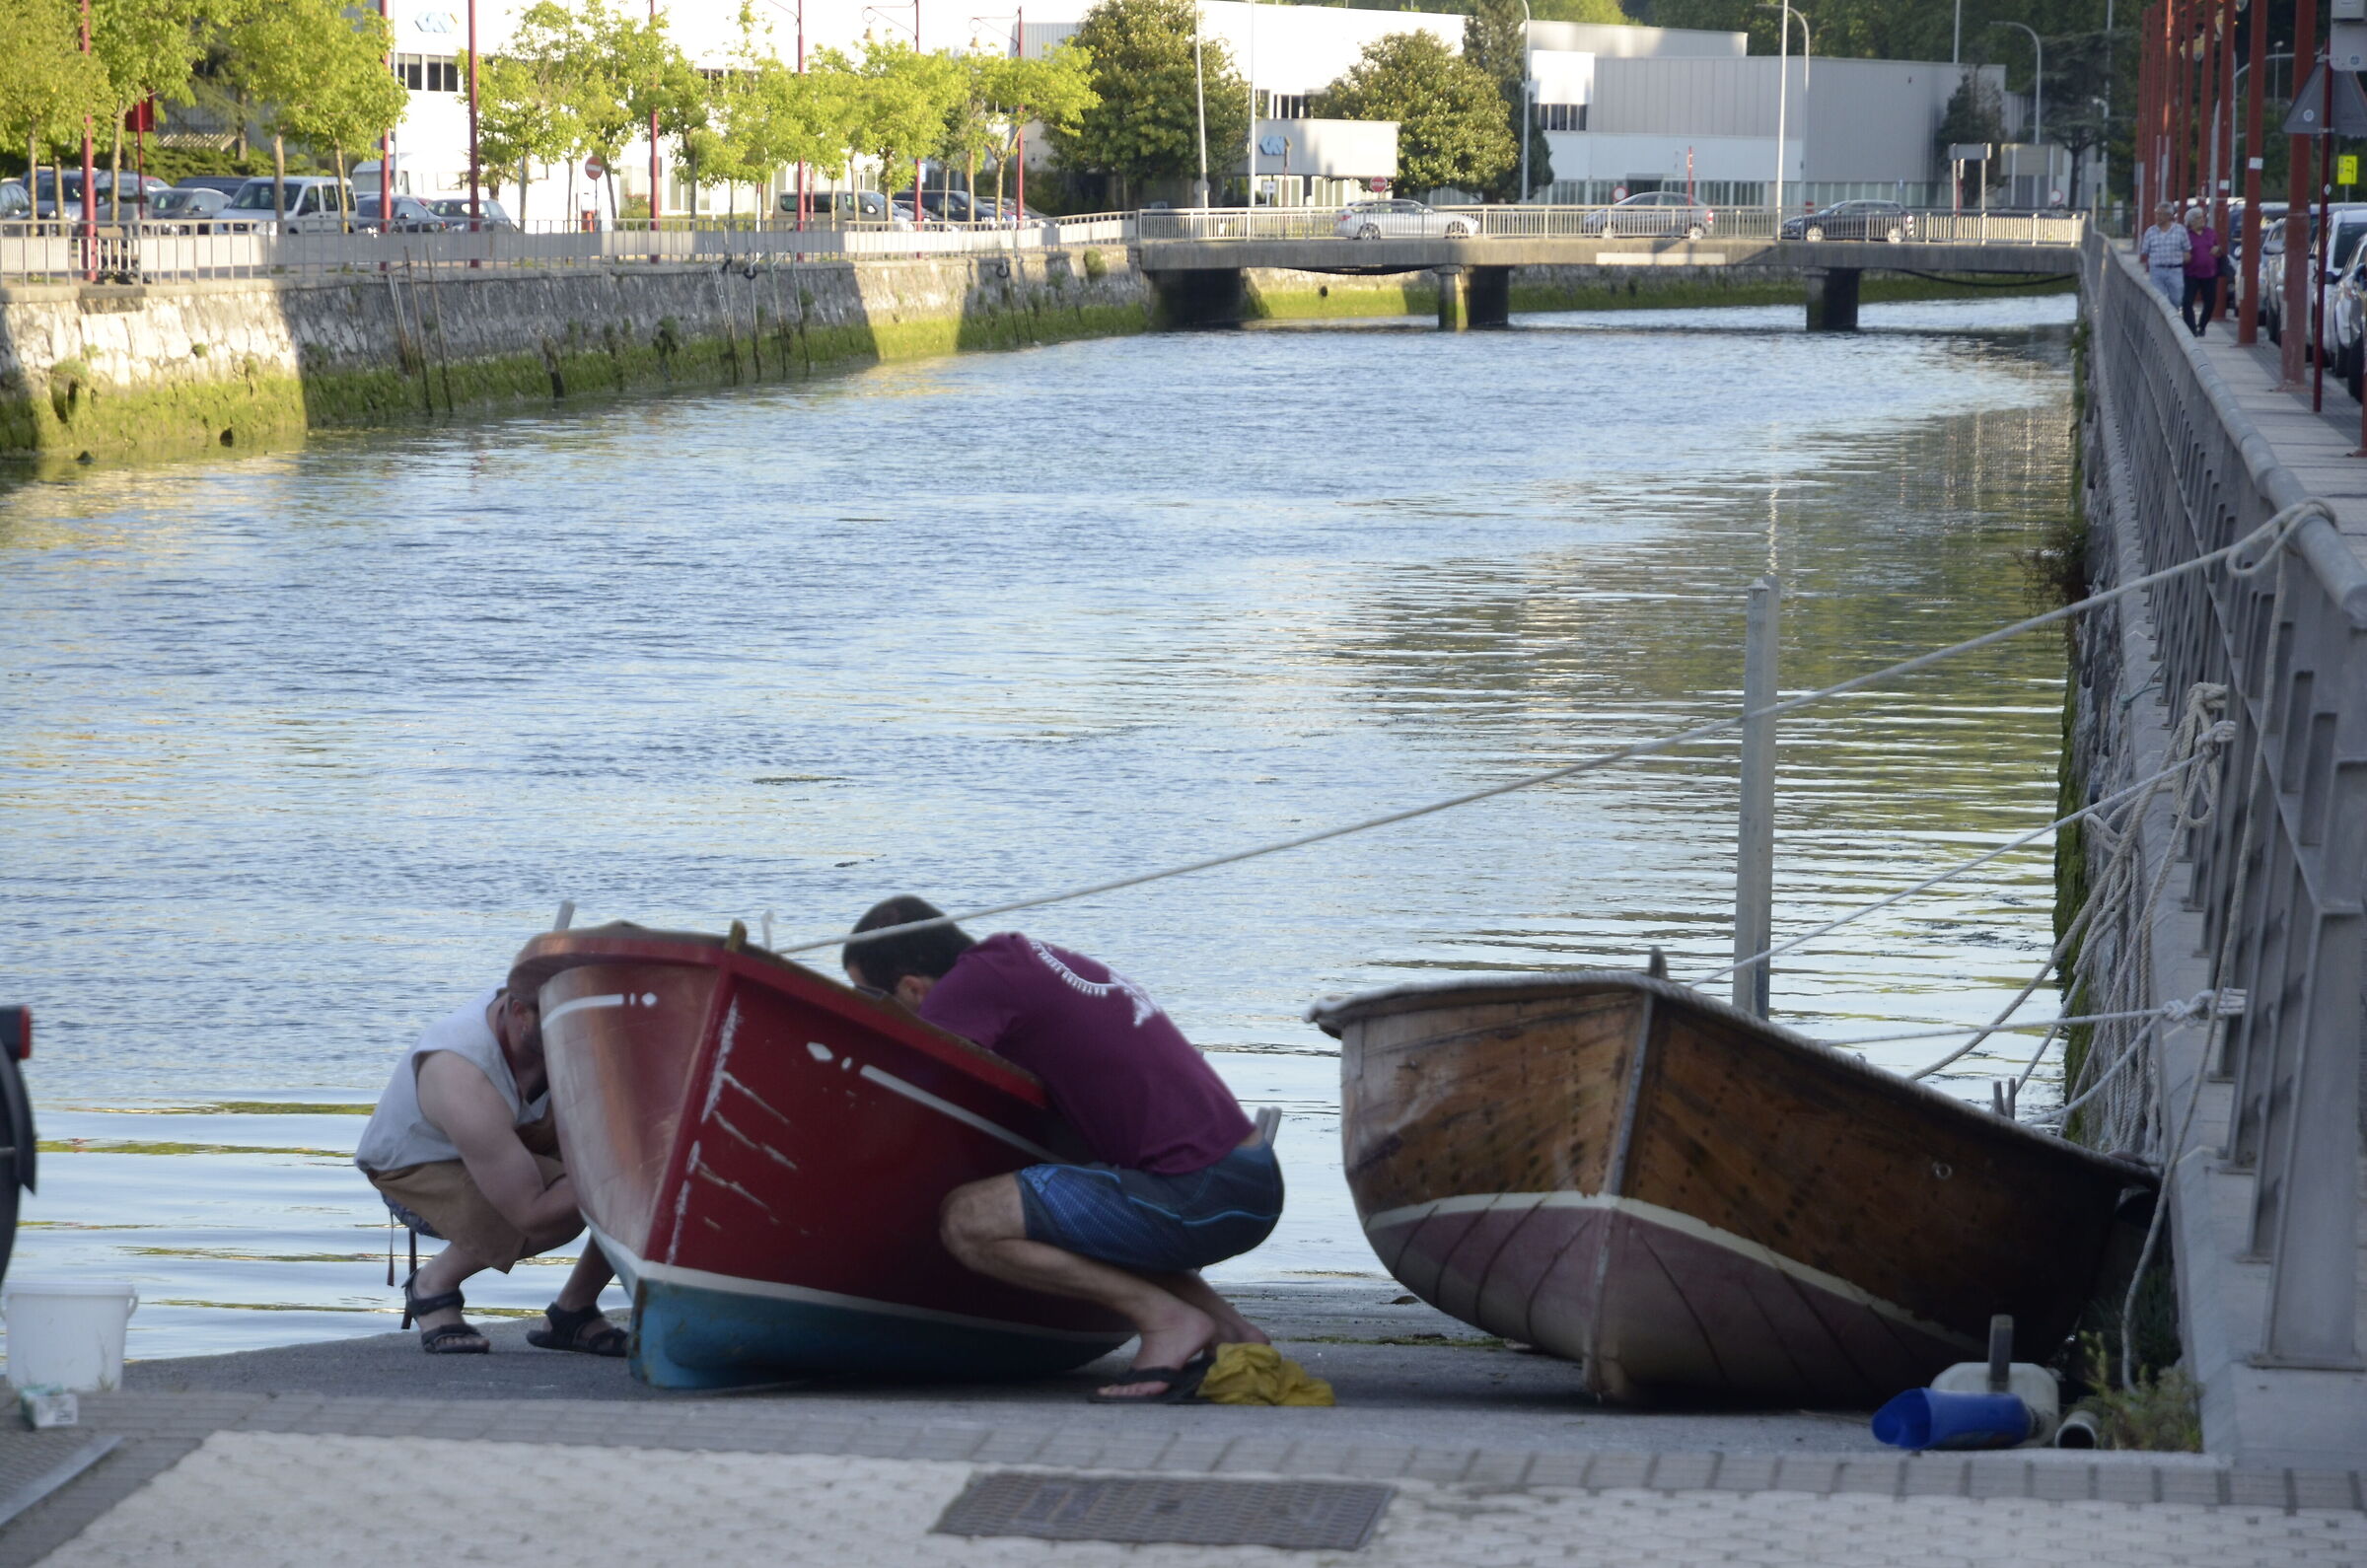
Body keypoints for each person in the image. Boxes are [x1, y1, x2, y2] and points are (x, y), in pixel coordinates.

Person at [843, 897, 1281, 1403]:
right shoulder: (1018, 961)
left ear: (910, 988)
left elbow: (903, 1087)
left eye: (868, 997)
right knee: (1081, 1205)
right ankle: (1233, 1331)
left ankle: (1166, 1321)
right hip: (1243, 1182)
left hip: (1204, 1192)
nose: (870, 1009)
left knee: (970, 1218)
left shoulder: (964, 990)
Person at [355, 984, 625, 1356]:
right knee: (571, 1210)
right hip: (415, 1169)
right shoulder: (460, 1070)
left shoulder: (576, 1032)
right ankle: (433, 1285)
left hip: (510, 1140)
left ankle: (572, 1314)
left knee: (646, 1179)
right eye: (560, 1021)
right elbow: (532, 1212)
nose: (577, 1032)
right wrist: (628, 1172)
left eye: (582, 1019)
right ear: (518, 1012)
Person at [2183, 206, 2225, 337]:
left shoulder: (2210, 233)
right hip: (2191, 273)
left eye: (2202, 217)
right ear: (2191, 221)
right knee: (2187, 302)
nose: (2202, 220)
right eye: (2198, 218)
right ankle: (2191, 327)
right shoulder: (2186, 235)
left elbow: (2219, 249)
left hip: (2210, 273)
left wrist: (2217, 250)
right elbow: (2181, 251)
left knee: (2211, 301)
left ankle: (2202, 325)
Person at [2139, 202, 2190, 304]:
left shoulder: (2180, 230)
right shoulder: (2150, 231)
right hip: (2157, 270)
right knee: (2158, 300)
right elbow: (2145, 251)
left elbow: (2187, 249)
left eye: (2161, 214)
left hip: (2175, 270)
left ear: (2169, 216)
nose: (2157, 217)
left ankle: (2173, 316)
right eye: (2157, 214)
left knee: (2177, 299)